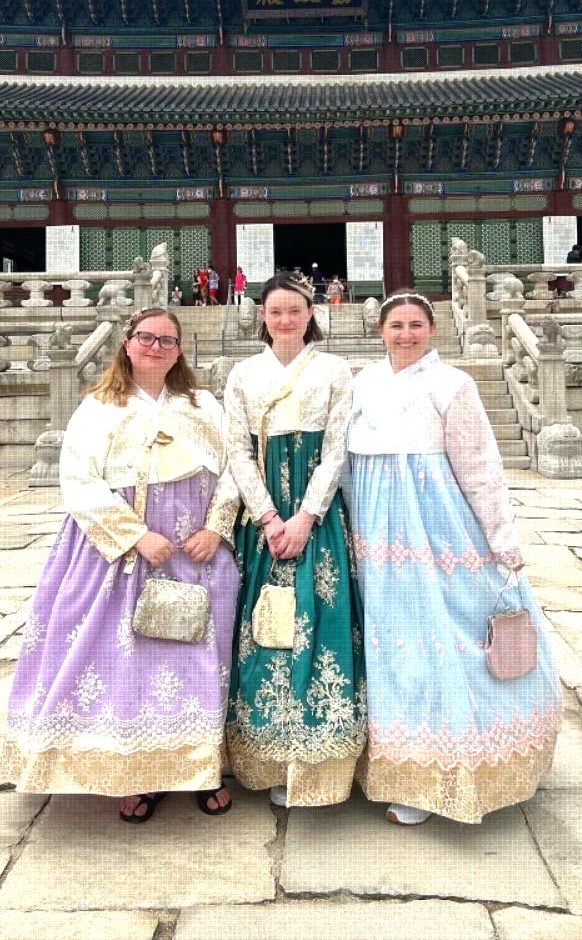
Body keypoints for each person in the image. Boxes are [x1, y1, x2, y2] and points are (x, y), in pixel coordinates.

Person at [1, 308, 240, 823]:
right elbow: (79, 481)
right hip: (126, 553)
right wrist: (134, 536)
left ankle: (203, 765)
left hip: (195, 547)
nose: (157, 348)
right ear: (127, 344)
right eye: (147, 338)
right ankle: (139, 771)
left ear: (180, 350)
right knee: (132, 661)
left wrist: (217, 527)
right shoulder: (99, 406)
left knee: (201, 655)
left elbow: (235, 467)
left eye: (168, 341)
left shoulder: (202, 403)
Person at [345, 292, 561, 825]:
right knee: (388, 644)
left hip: (438, 529)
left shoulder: (453, 385)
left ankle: (447, 769)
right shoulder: (362, 383)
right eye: (396, 325)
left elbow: (481, 464)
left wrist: (501, 536)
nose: (406, 334)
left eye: (416, 324)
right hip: (377, 535)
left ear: (433, 328)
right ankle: (396, 764)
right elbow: (346, 460)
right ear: (380, 330)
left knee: (442, 638)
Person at [223, 273, 366, 808]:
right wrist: (265, 516)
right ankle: (265, 758)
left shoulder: (333, 369)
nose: (285, 320)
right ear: (261, 315)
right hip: (265, 515)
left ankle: (321, 763)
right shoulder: (242, 374)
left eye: (296, 311)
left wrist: (305, 517)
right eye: (276, 311)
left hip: (316, 514)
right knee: (265, 630)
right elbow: (236, 451)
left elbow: (337, 450)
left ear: (313, 315)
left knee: (317, 618)